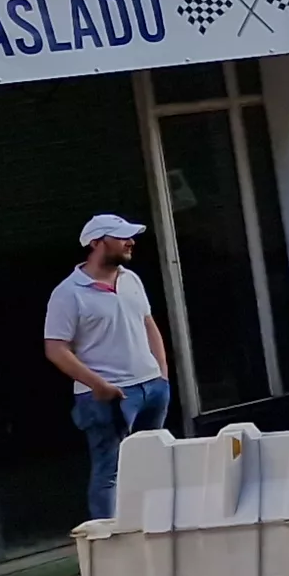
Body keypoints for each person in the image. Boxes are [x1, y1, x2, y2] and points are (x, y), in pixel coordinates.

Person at [45, 215, 171, 523]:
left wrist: (162, 374)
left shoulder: (131, 279)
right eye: (121, 237)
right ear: (97, 242)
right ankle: (111, 541)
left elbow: (148, 323)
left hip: (151, 386)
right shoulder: (68, 293)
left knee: (152, 462)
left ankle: (152, 527)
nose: (130, 242)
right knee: (109, 471)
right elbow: (55, 348)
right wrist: (98, 385)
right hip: (105, 396)